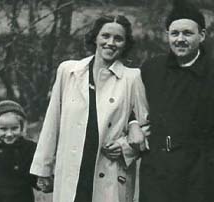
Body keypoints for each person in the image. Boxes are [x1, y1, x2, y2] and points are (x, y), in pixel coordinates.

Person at [130, 1, 214, 202]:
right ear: (167, 35)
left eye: (187, 33)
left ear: (201, 35)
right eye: (174, 33)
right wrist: (133, 124)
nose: (180, 39)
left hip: (203, 177)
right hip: (159, 175)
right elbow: (131, 106)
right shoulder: (151, 69)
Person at [30, 15, 149, 202]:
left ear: (126, 44)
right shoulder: (69, 71)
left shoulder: (132, 78)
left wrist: (125, 147)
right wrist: (42, 168)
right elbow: (52, 121)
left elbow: (146, 126)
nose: (111, 43)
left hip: (110, 174)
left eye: (118, 39)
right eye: (106, 36)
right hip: (72, 171)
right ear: (95, 38)